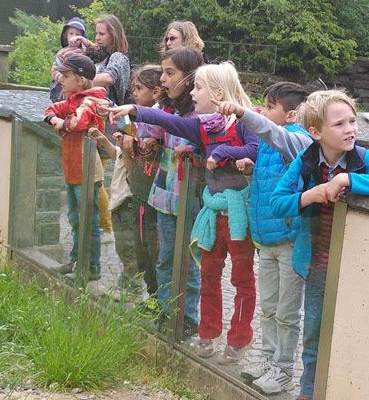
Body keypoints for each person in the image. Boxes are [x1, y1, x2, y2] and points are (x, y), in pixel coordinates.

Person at [107, 61, 261, 366]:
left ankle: (240, 336)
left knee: (242, 278)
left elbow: (256, 149)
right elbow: (168, 123)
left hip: (238, 211)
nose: (193, 92)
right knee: (208, 273)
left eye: (199, 87)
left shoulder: (244, 121)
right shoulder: (204, 125)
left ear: (218, 93)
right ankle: (208, 331)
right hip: (212, 210)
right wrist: (132, 110)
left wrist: (222, 153)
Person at [269, 90, 369, 400]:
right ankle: (308, 391)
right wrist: (309, 196)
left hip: (354, 264)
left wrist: (348, 181)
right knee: (314, 331)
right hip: (317, 264)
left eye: (353, 121)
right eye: (340, 124)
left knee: (351, 330)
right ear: (316, 132)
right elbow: (277, 203)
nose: (350, 129)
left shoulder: (364, 158)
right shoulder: (306, 160)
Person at [212, 82, 312, 394]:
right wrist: (251, 168)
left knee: (286, 312)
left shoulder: (298, 139)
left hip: (288, 239)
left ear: (292, 114)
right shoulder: (269, 146)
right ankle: (268, 360)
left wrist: (243, 113)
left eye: (270, 107)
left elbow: (275, 135)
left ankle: (283, 369)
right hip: (266, 240)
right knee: (269, 306)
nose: (264, 113)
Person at [124, 47, 205, 336]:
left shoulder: (199, 110)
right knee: (165, 256)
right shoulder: (167, 107)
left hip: (188, 195)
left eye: (170, 73)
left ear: (190, 76)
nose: (164, 79)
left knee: (189, 259)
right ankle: (166, 310)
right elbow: (153, 131)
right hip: (165, 191)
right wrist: (141, 137)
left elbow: (196, 139)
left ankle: (188, 317)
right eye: (162, 73)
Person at [99, 65, 165, 301]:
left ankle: (142, 292)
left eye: (139, 88)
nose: (134, 93)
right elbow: (124, 146)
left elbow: (135, 140)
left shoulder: (157, 119)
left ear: (156, 92)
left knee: (140, 248)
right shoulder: (135, 120)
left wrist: (127, 133)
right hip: (130, 189)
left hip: (140, 192)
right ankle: (140, 290)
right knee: (132, 247)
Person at [42, 55, 107, 280]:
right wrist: (55, 120)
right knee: (74, 218)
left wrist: (62, 124)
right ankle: (77, 260)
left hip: (87, 170)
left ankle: (92, 266)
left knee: (88, 219)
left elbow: (77, 123)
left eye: (66, 75)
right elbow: (50, 109)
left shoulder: (91, 100)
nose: (61, 79)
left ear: (81, 79)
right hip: (73, 169)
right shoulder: (72, 100)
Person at [49, 17, 87, 102]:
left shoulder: (84, 53)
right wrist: (61, 78)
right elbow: (54, 69)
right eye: (71, 33)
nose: (74, 37)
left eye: (78, 34)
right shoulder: (61, 53)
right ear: (66, 36)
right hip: (62, 87)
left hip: (79, 86)